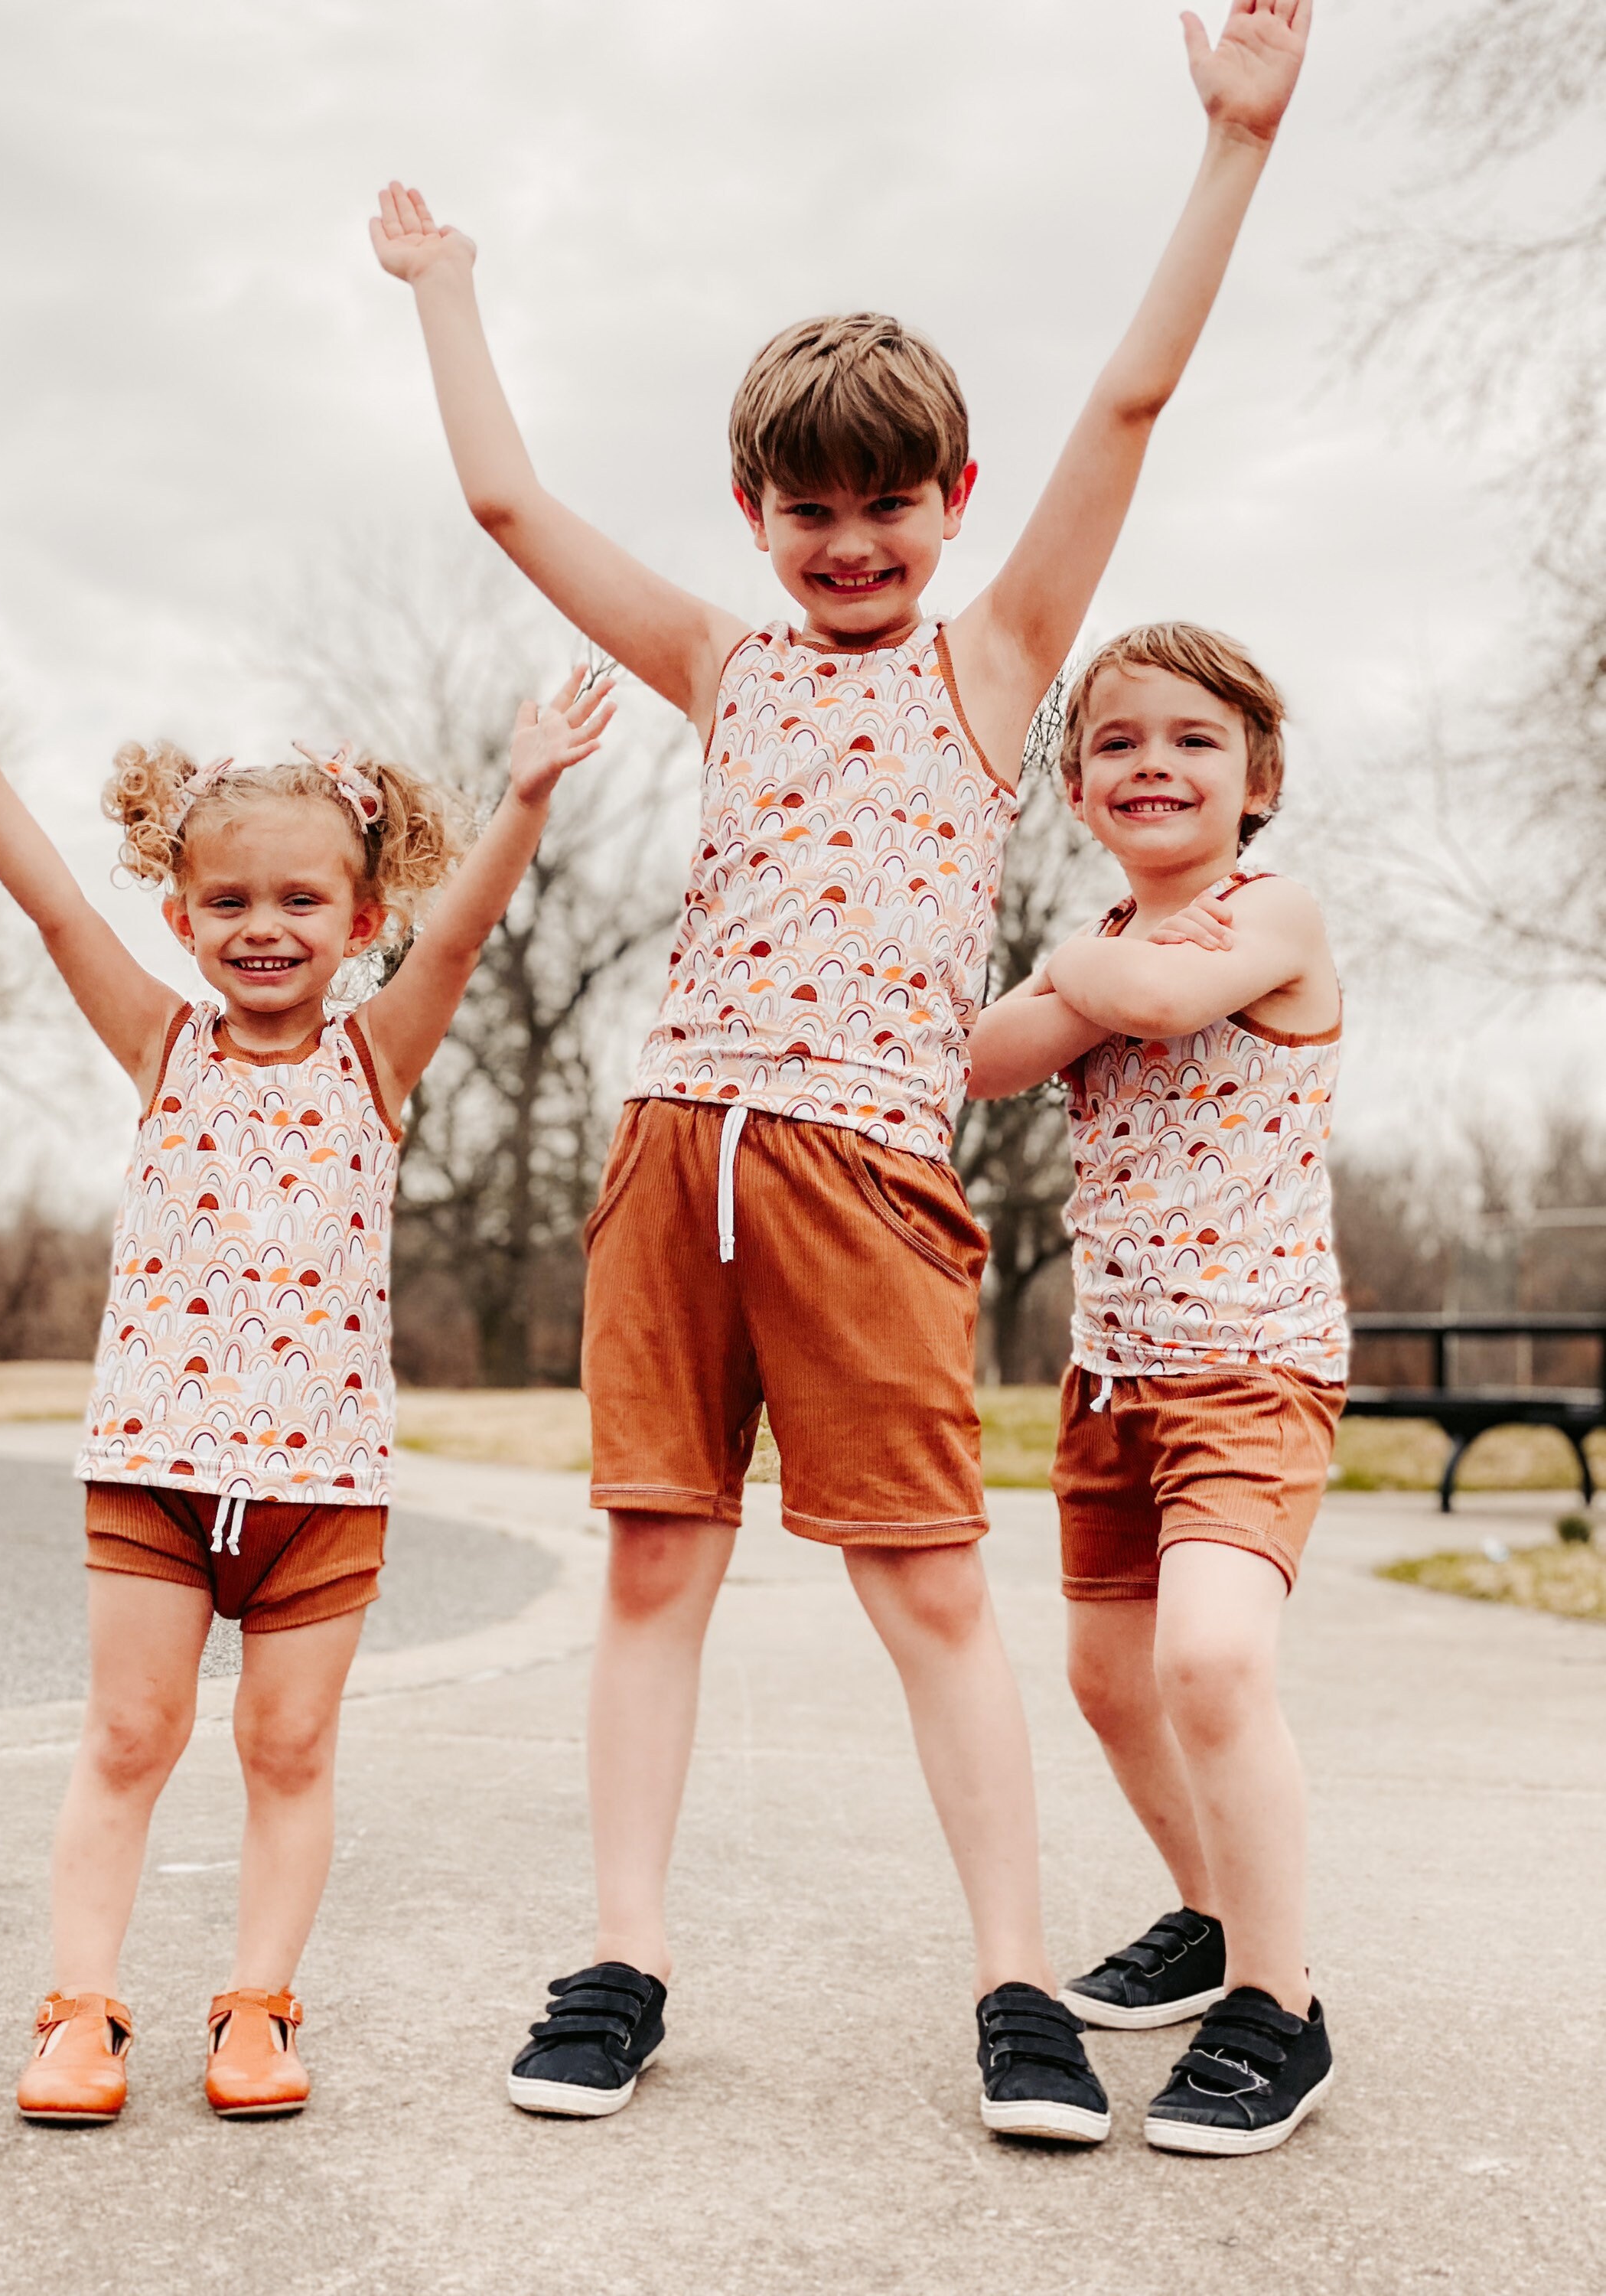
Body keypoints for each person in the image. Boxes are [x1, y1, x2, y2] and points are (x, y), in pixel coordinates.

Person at [372, 0, 1311, 2140]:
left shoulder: (994, 670)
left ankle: (1013, 1987)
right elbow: (510, 503)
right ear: (756, 510)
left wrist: (1232, 150)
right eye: (810, 511)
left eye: (889, 504)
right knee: (649, 1563)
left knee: (923, 1583)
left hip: (869, 1178)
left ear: (953, 502)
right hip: (668, 1152)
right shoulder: (724, 662)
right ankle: (618, 1964)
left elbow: (1134, 399)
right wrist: (451, 297)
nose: (850, 543)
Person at [0, 669, 614, 2123]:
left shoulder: (373, 1058)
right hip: (153, 1468)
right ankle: (80, 2007)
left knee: (287, 1749)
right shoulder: (162, 1047)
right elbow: (52, 912)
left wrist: (528, 789)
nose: (264, 929)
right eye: (228, 904)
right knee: (127, 1739)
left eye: (299, 902)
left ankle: (258, 2004)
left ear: (359, 924)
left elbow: (466, 931)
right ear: (184, 919)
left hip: (324, 1487)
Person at [969, 621, 1347, 2154]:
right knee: (1109, 1681)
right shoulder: (1110, 946)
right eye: (1118, 744)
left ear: (1255, 776)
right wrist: (1082, 969)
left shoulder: (1280, 916)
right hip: (1111, 1378)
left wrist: (1079, 969)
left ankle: (1280, 2001)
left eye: (1193, 740)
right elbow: (988, 1057)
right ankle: (1209, 1906)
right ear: (1076, 786)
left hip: (1252, 1370)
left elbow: (1169, 1002)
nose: (1154, 766)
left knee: (1209, 1665)